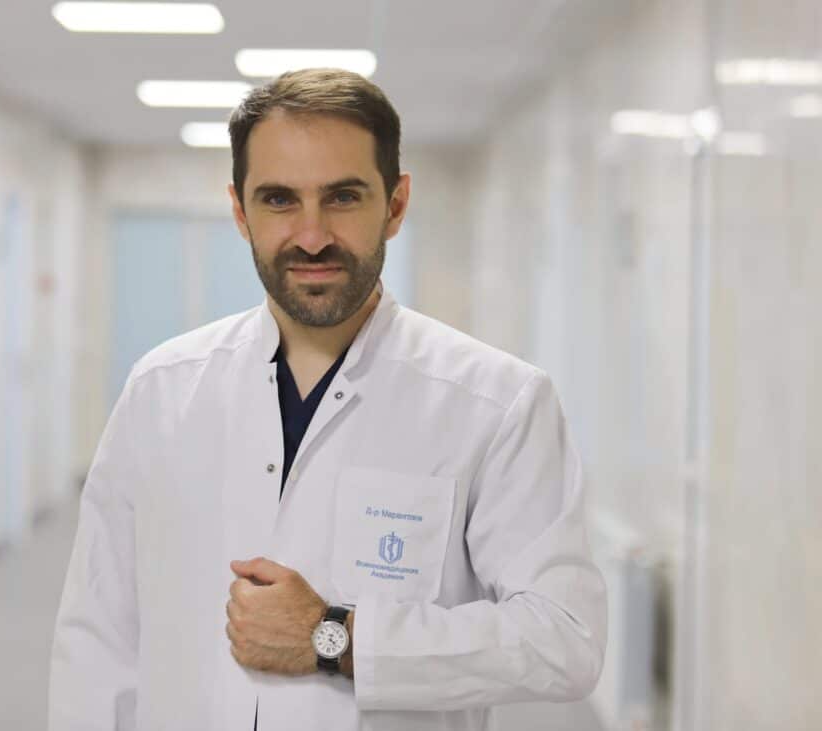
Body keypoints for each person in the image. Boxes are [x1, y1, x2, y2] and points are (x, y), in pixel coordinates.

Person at [49, 68, 607, 731]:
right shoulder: (161, 390)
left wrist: (335, 637)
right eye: (279, 199)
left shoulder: (495, 403)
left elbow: (564, 638)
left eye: (342, 197)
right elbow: (97, 641)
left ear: (395, 205)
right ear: (240, 211)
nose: (311, 236)